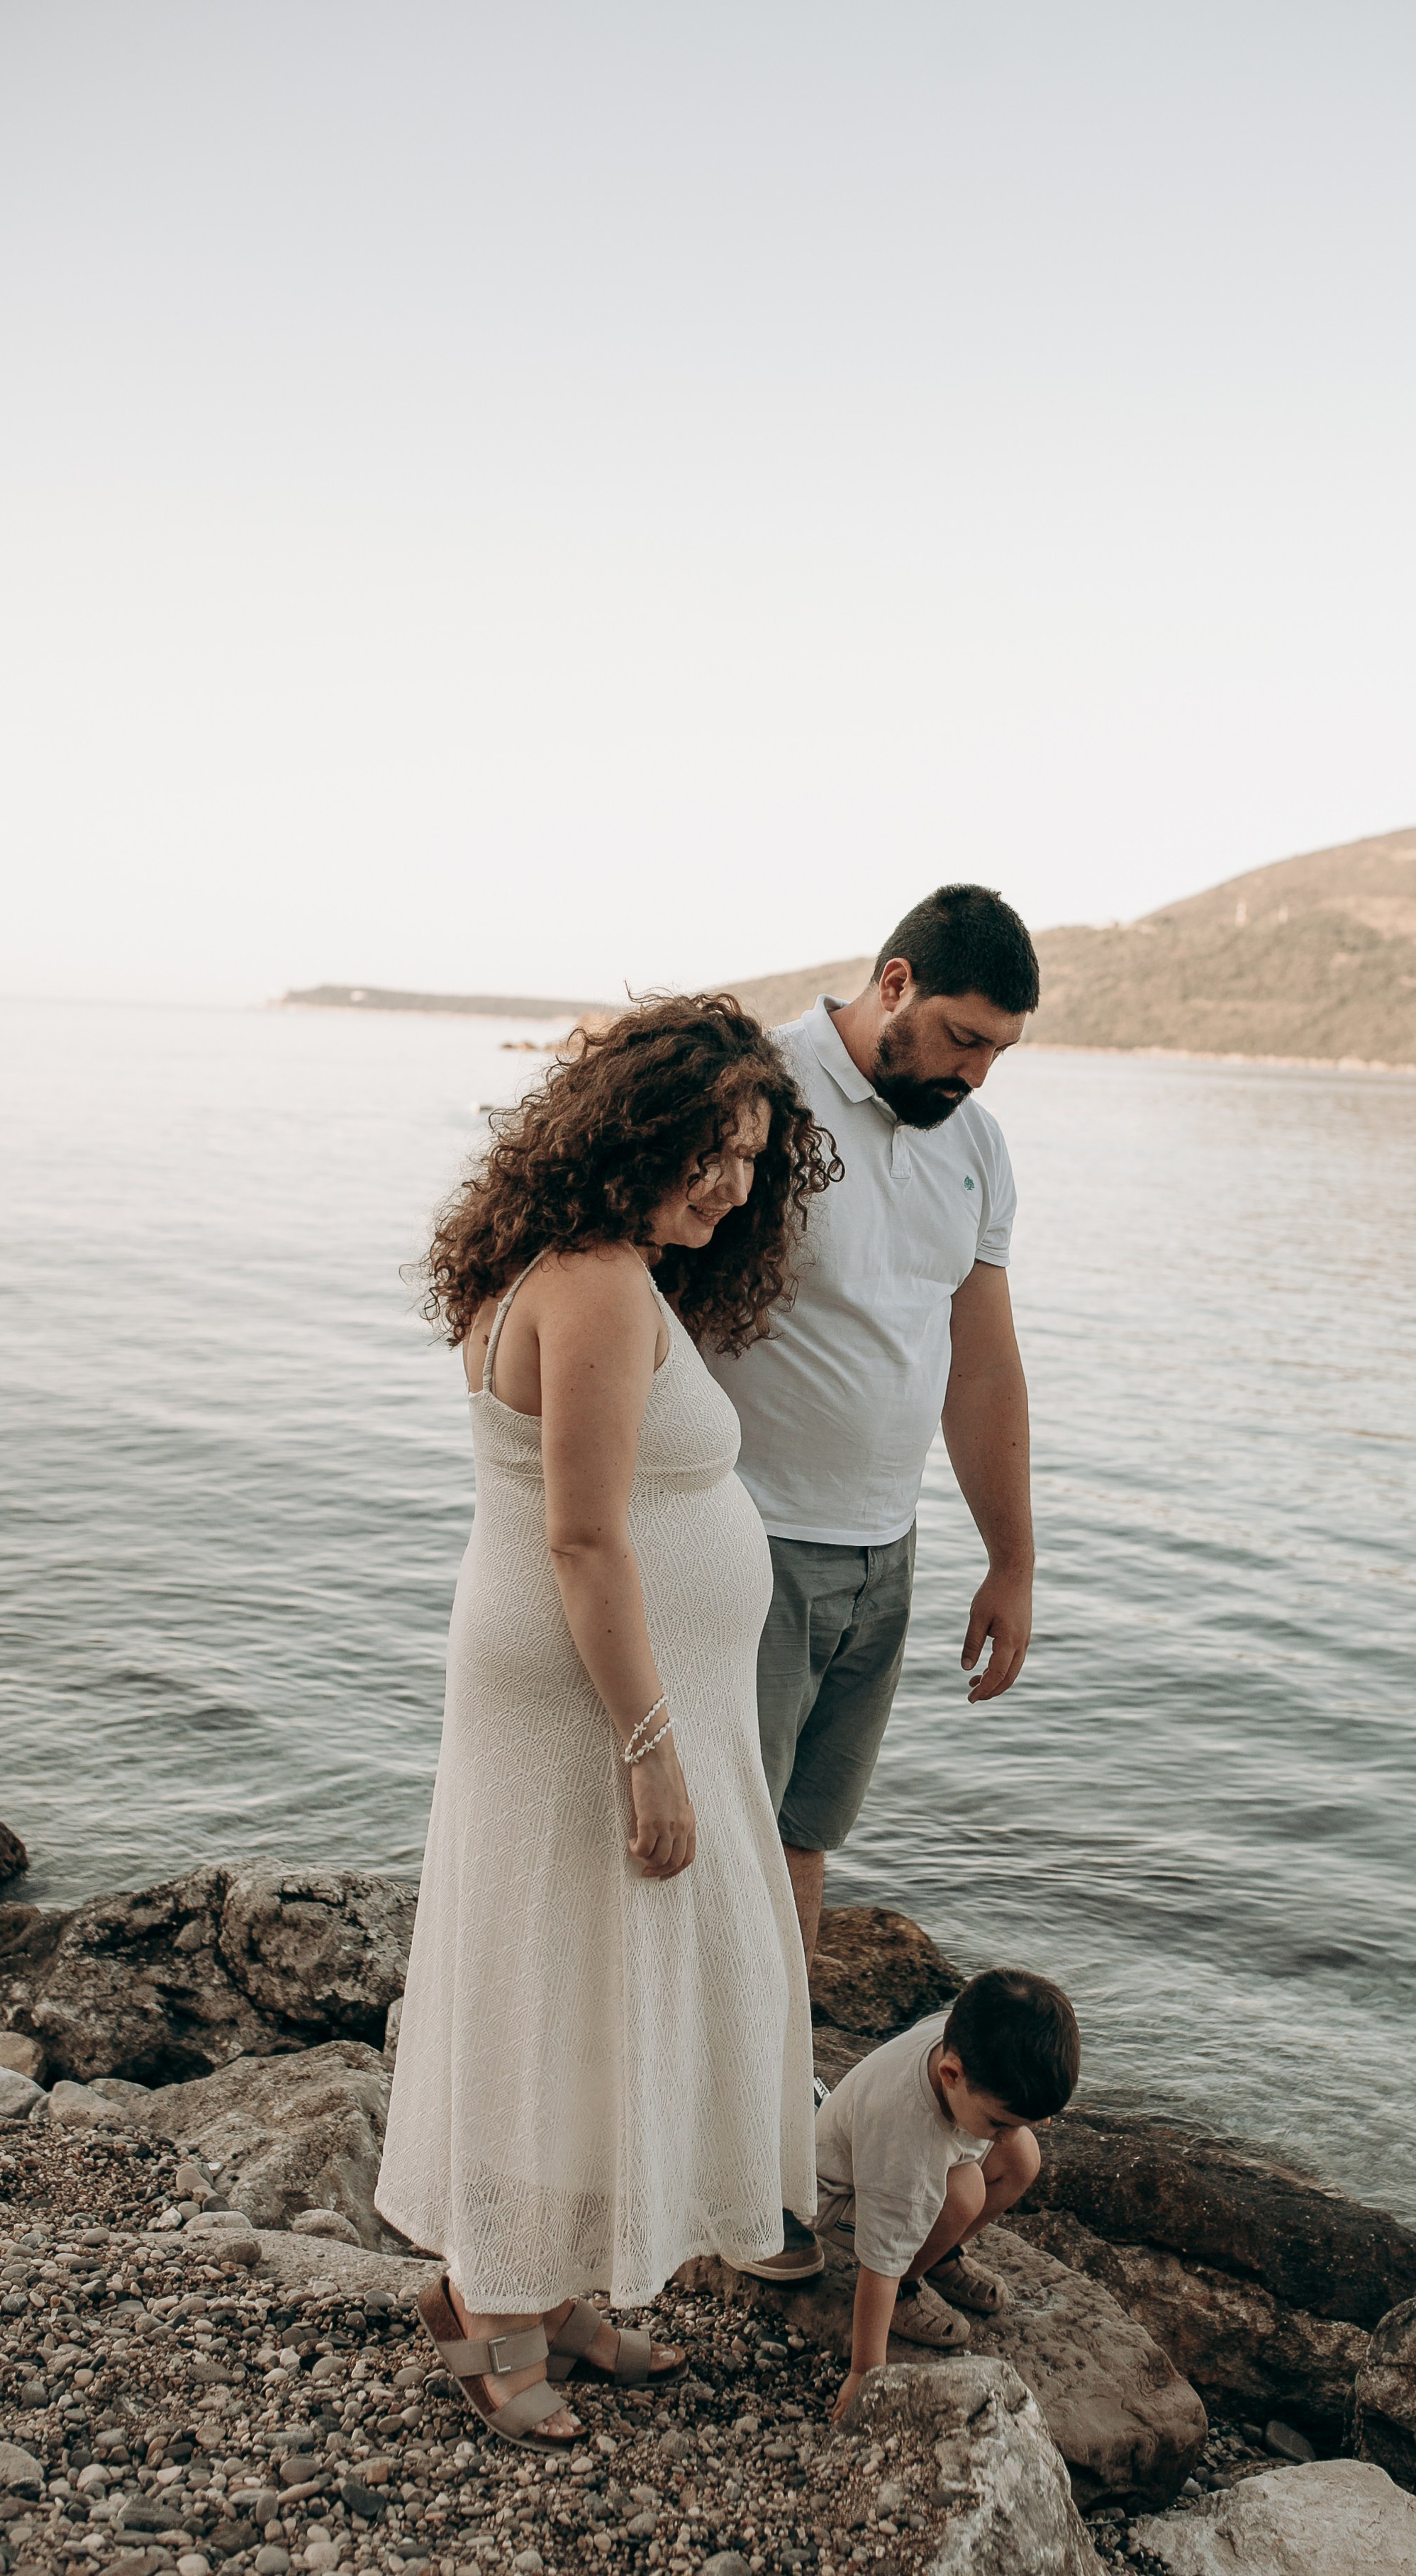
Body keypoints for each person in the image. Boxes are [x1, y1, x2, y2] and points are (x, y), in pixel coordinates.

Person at [374, 995, 838, 2447]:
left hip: (592, 1684)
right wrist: (652, 1746)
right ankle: (486, 2315)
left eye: (754, 1157)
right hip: (587, 1698)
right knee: (551, 1985)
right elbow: (584, 1539)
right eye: (710, 1146)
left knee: (587, 1983)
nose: (731, 1182)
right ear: (635, 1130)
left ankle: (552, 2283)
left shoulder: (603, 1268)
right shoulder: (588, 1285)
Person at [705, 884, 1039, 2280]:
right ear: (892, 986)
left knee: (794, 1851)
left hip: (878, 1556)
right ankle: (712, 2173)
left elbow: (979, 1365)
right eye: (959, 1038)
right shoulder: (758, 1099)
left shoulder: (977, 1155)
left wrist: (1010, 1557)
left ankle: (765, 2152)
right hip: (747, 1543)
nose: (971, 1074)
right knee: (712, 1863)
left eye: (997, 1054)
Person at [813, 1969, 1081, 2417]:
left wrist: (1018, 2123)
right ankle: (908, 2288)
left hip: (911, 2163)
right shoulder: (904, 2134)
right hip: (840, 2192)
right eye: (1000, 2121)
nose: (1008, 2131)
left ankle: (938, 2257)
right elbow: (881, 2254)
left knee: (1023, 2157)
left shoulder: (963, 2034)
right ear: (951, 2075)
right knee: (963, 2194)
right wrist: (866, 2372)